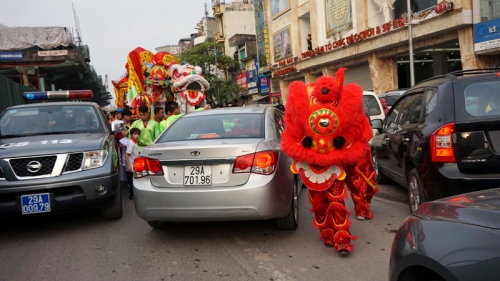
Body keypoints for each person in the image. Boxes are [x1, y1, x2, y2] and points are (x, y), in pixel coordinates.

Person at [125, 128, 140, 200]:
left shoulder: (135, 142)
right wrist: (128, 165)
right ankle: (132, 194)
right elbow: (127, 154)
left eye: (138, 134)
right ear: (131, 135)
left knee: (134, 180)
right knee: (132, 181)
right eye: (135, 134)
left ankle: (133, 193)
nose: (137, 136)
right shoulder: (131, 143)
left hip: (134, 165)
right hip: (131, 166)